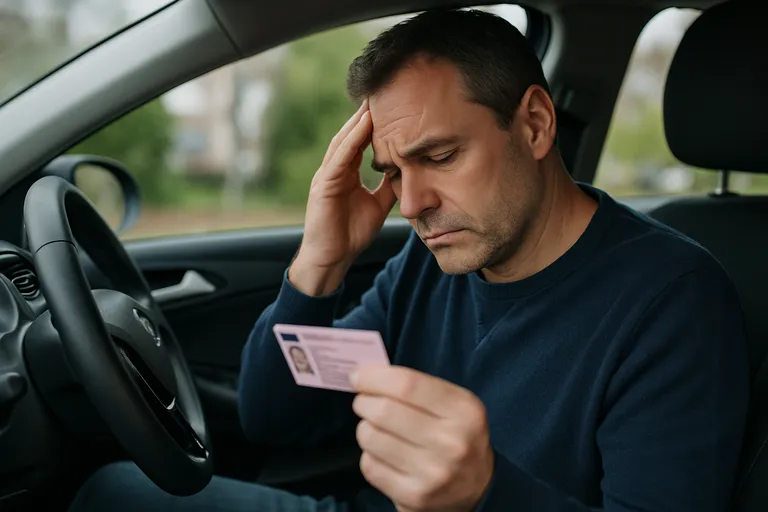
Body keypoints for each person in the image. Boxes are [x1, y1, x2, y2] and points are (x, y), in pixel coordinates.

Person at [68, 7, 750, 512]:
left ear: (536, 125)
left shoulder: (673, 300)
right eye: (392, 170)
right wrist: (319, 265)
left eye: (440, 156)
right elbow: (276, 417)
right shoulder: (432, 265)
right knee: (106, 491)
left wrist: (486, 492)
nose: (412, 202)